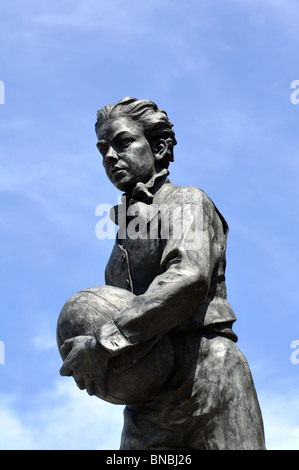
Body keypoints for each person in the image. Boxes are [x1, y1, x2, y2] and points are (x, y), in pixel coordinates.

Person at [60, 97, 266, 450]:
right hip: (148, 399)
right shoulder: (123, 232)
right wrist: (99, 367)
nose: (110, 156)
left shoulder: (186, 201)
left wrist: (104, 343)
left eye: (123, 142)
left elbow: (189, 278)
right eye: (103, 149)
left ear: (159, 147)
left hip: (208, 377)